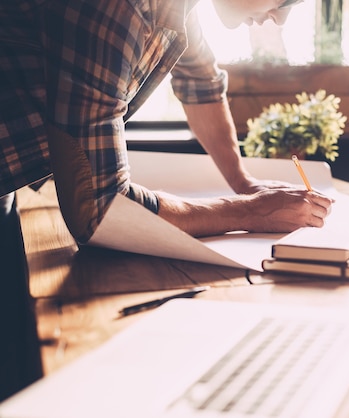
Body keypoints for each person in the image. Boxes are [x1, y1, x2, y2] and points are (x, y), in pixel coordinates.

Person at [0, 0, 328, 400]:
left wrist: (245, 183)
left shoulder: (178, 8)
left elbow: (201, 84)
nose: (281, 16)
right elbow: (98, 208)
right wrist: (250, 212)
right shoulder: (120, 6)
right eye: (287, 1)